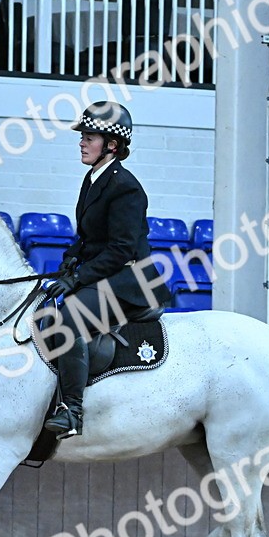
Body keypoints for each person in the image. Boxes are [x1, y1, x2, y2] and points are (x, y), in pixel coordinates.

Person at [41, 101, 172, 439]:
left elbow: (120, 249)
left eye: (89, 136)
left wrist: (78, 278)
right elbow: (87, 237)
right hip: (108, 272)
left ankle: (72, 410)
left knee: (70, 317)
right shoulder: (93, 178)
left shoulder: (125, 187)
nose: (82, 142)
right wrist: (69, 263)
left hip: (131, 279)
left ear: (111, 145)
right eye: (82, 136)